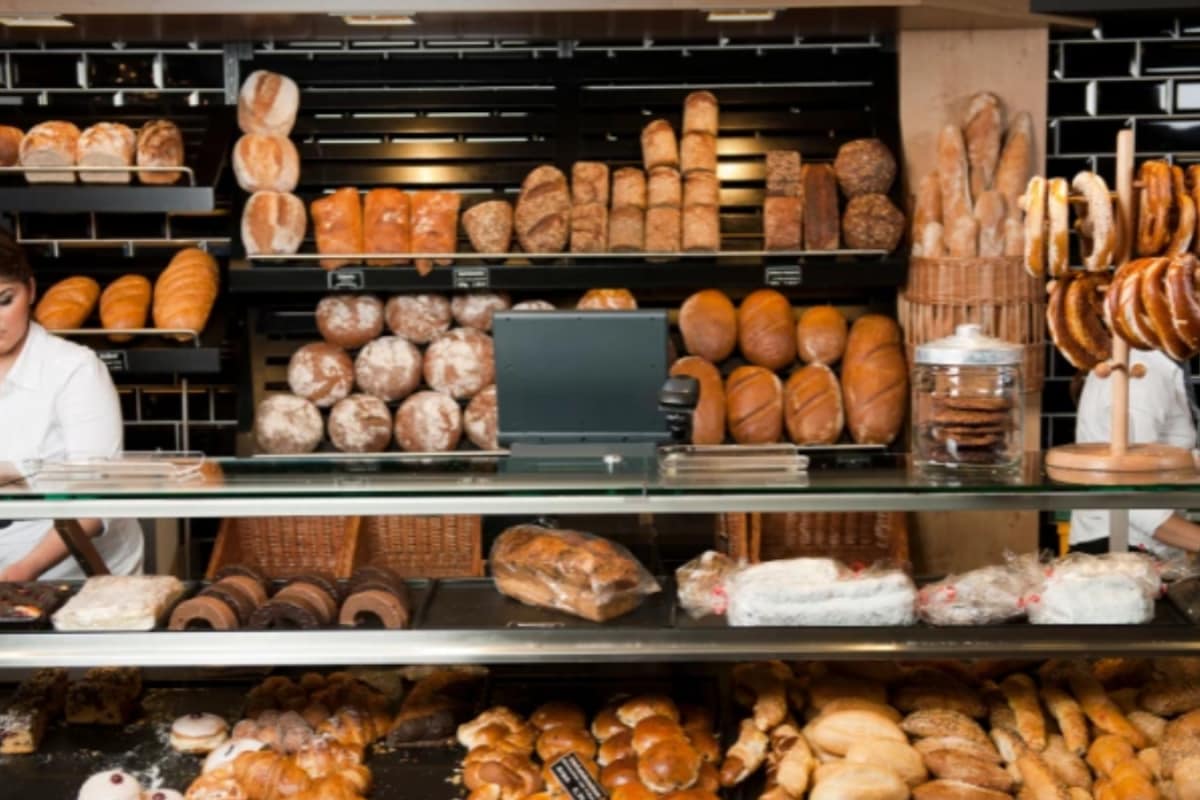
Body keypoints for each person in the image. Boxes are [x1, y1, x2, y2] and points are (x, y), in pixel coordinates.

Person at [0, 230, 142, 579]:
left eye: (5, 300)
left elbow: (94, 505)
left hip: (74, 577)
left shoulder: (75, 370)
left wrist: (18, 574)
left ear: (31, 291)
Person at [1070, 347, 1200, 556]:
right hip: (1120, 551)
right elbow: (1134, 500)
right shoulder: (1141, 375)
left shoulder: (1151, 367)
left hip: (1136, 550)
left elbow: (1159, 457)